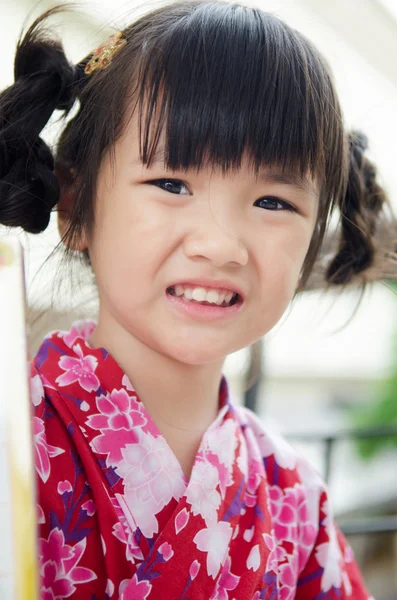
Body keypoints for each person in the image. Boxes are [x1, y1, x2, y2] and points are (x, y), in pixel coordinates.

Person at [0, 0, 390, 597]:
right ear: (76, 202)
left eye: (273, 203)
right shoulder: (13, 445)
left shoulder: (294, 495)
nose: (221, 245)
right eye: (171, 183)